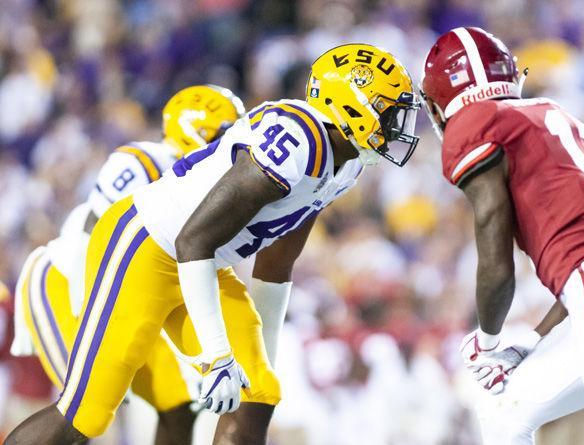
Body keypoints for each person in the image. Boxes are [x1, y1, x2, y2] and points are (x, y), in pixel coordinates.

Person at [5, 43, 421, 445]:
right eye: (389, 112)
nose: (398, 125)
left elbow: (276, 267)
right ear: (352, 107)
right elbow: (193, 238)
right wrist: (218, 356)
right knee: (86, 414)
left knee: (258, 392)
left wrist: (263, 358)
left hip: (200, 263)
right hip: (147, 247)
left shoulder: (344, 164)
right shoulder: (297, 140)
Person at [421, 27, 584, 444]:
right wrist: (533, 339)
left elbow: (496, 253)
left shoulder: (474, 123)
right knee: (504, 411)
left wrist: (488, 340)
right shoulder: (552, 113)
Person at [9, 85, 245, 445]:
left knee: (179, 402)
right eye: (224, 134)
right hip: (70, 283)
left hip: (127, 295)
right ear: (194, 130)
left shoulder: (214, 184)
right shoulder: (144, 161)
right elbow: (101, 240)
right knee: (84, 412)